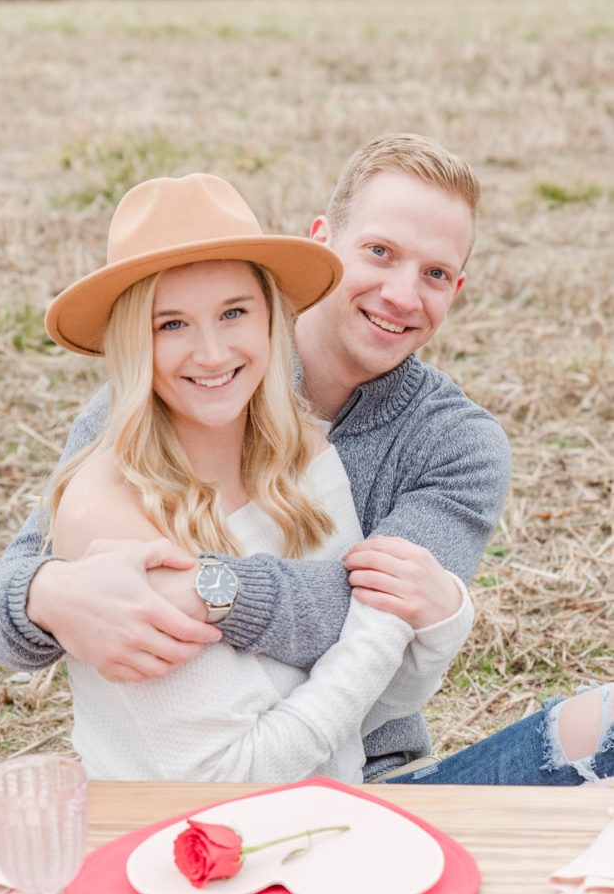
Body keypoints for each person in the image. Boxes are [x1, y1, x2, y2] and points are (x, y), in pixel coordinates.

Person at [0, 133, 614, 786]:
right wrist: (45, 592)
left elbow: (383, 649)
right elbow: (19, 590)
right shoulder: (167, 388)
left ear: (457, 288)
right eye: (379, 252)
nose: (401, 294)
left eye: (434, 274)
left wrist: (209, 590)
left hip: (377, 770)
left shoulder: (453, 446)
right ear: (322, 243)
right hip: (233, 787)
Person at [39, 172, 474, 781]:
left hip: (339, 815)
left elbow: (378, 703)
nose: (213, 353)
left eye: (233, 312)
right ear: (132, 344)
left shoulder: (303, 452)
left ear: (272, 317)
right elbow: (233, 778)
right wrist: (394, 620)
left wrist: (445, 613)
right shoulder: (109, 509)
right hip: (194, 846)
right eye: (172, 324)